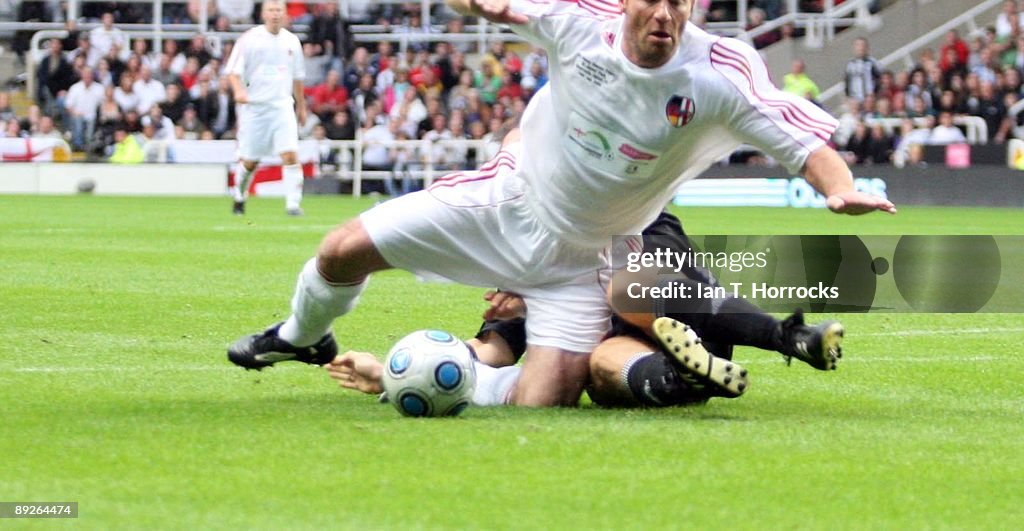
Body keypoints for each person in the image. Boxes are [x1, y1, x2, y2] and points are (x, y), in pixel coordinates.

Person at [228, 0, 894, 407]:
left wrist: (838, 188)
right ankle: (300, 337)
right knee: (342, 250)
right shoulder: (579, 20)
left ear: (694, 2)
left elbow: (795, 134)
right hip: (512, 202)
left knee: (544, 398)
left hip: (590, 261)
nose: (663, 14)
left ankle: (437, 380)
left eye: (677, 2)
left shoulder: (719, 72)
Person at [327, 209, 848, 409]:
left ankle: (788, 338)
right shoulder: (523, 266)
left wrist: (537, 291)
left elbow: (658, 285)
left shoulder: (646, 219)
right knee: (598, 367)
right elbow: (490, 351)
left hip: (691, 318)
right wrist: (399, 371)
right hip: (654, 360)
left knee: (629, 290)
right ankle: (686, 380)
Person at [224, 0, 308, 216]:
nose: (275, 14)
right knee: (250, 161)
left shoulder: (292, 42)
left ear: (285, 14)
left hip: (282, 106)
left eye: (279, 10)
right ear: (263, 14)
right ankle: (239, 196)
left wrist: (301, 107)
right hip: (256, 108)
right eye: (271, 10)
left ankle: (293, 204)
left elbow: (298, 78)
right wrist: (239, 91)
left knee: (290, 155)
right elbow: (233, 71)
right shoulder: (250, 39)